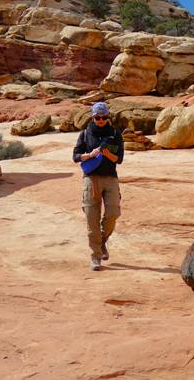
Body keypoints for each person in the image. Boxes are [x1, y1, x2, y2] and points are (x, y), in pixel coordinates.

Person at [72, 102, 124, 271]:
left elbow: (119, 159)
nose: (100, 120)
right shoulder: (85, 134)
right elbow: (76, 156)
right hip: (91, 179)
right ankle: (96, 257)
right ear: (93, 117)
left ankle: (102, 242)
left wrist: (107, 153)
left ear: (107, 117)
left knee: (113, 213)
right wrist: (89, 155)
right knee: (91, 219)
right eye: (97, 117)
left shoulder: (115, 134)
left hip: (110, 178)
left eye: (103, 117)